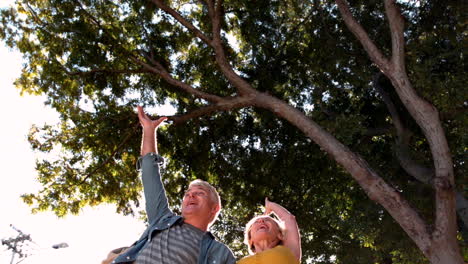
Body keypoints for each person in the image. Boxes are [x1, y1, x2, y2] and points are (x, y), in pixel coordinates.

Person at [111, 106, 236, 264]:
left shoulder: (220, 252)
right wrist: (149, 130)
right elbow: (150, 172)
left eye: (200, 193)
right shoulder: (162, 218)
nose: (190, 195)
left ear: (214, 208)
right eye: (188, 193)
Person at [238, 198, 301, 264]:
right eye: (256, 222)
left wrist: (270, 205)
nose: (261, 221)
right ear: (250, 239)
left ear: (280, 234)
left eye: (267, 220)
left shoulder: (289, 251)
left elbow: (289, 219)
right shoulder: (240, 262)